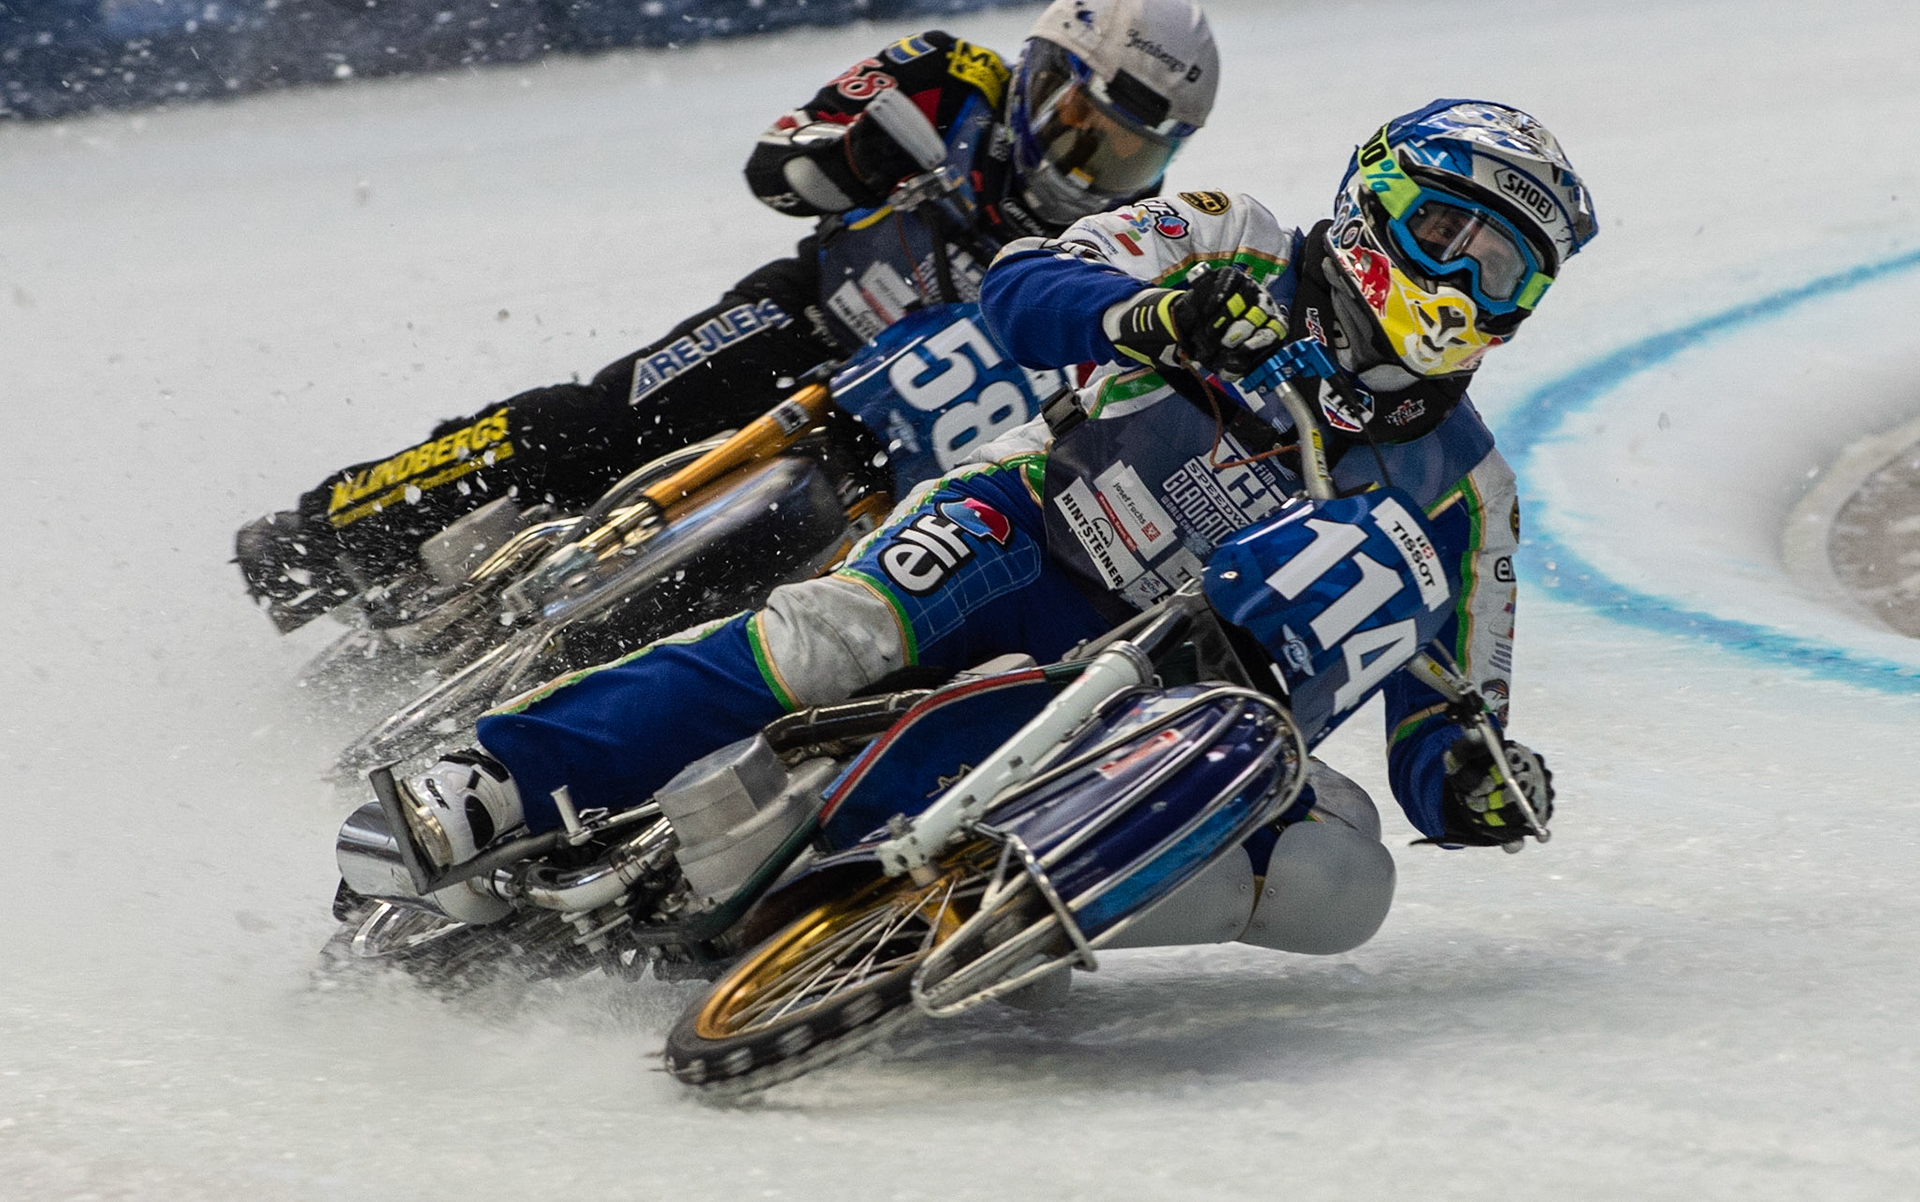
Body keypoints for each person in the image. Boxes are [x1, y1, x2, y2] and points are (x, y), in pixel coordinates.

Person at [400, 99, 1595, 956]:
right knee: (834, 640)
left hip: (1183, 705)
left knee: (1343, 882)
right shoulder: (1236, 234)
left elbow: (1448, 728)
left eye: (1510, 272)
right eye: (1451, 237)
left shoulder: (1471, 492)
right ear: (1377, 202)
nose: (1469, 286)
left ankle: (981, 914)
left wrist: (1478, 784)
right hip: (1032, 529)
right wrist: (1155, 311)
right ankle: (506, 770)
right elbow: (1023, 291)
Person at [236, 0, 1221, 633]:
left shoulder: (1130, 246)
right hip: (812, 317)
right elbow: (776, 164)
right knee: (598, 419)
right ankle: (331, 527)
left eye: (1136, 150)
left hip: (908, 448)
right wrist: (854, 157)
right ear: (1047, 74)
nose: (1101, 167)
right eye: (1088, 128)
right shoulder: (944, 74)